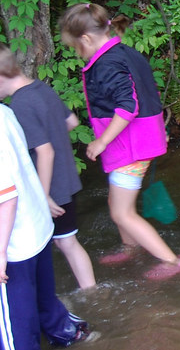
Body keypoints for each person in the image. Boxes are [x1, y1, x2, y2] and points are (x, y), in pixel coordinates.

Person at [58, 3, 180, 281]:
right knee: (116, 202)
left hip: (130, 146)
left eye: (75, 46)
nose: (76, 52)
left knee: (122, 212)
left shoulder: (108, 64)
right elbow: (147, 93)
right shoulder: (125, 53)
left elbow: (128, 106)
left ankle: (173, 261)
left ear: (85, 39)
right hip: (138, 140)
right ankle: (131, 247)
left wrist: (100, 142)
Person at [0, 46, 96, 290]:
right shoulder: (42, 88)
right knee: (65, 241)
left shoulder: (20, 104)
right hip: (66, 179)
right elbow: (71, 122)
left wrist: (43, 197)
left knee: (67, 243)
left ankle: (92, 291)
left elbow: (45, 151)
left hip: (53, 189)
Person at [1, 102, 93, 349]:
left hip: (13, 242)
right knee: (43, 298)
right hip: (36, 224)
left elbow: (6, 198)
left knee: (15, 327)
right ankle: (69, 332)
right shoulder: (6, 112)